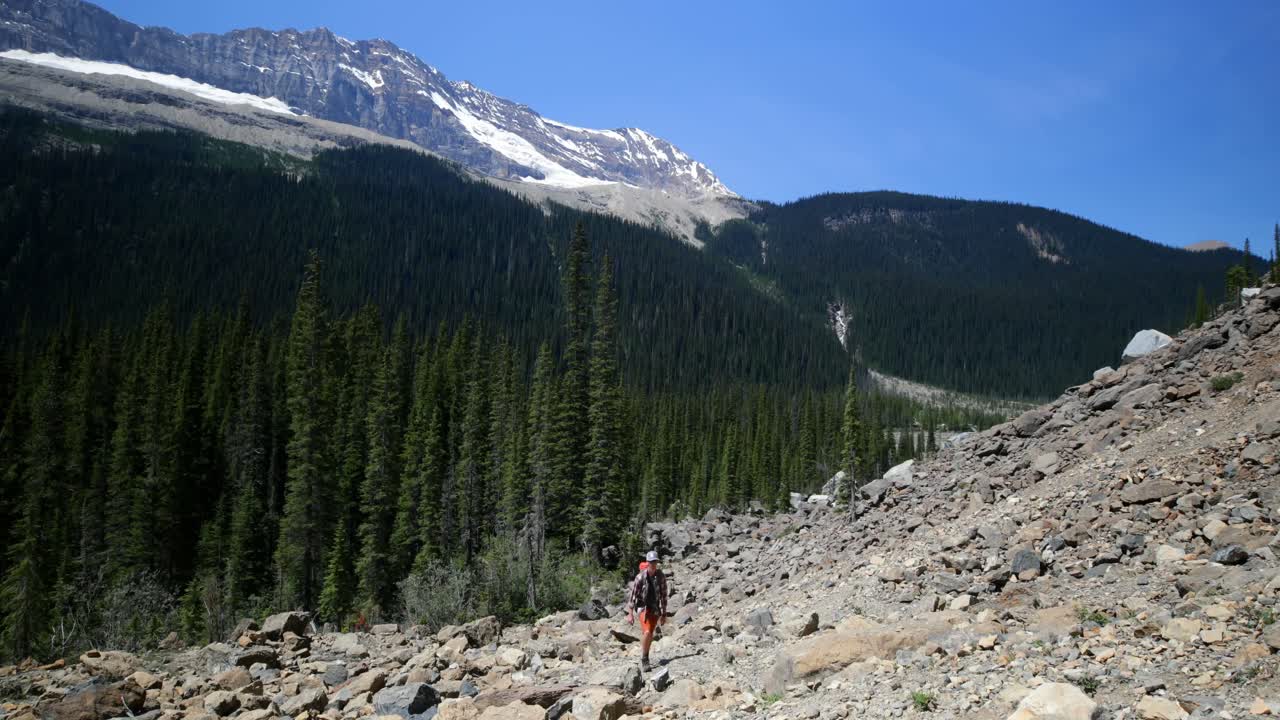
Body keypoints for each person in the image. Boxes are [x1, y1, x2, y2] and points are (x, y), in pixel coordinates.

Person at [625, 550, 668, 671]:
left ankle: (646, 656)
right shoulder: (640, 577)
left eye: (655, 562)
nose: (653, 564)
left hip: (655, 608)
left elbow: (664, 595)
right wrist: (630, 614)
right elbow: (633, 596)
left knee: (650, 635)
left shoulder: (661, 576)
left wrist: (664, 613)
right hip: (642, 606)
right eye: (651, 562)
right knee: (647, 632)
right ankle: (644, 659)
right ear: (647, 563)